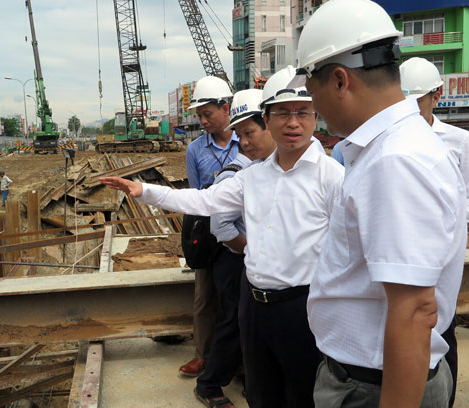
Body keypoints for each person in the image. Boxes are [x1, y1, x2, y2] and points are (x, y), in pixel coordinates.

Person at [101, 65, 344, 408]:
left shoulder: (333, 178)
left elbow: (348, 251)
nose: (293, 123)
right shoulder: (253, 177)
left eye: (302, 113)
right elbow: (202, 200)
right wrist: (142, 190)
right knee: (261, 393)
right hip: (254, 304)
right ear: (269, 118)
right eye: (282, 113)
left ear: (315, 117)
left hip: (301, 309)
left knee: (302, 393)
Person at [291, 0, 467, 406]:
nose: (313, 108)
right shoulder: (391, 149)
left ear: (339, 80)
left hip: (375, 388)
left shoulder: (395, 160)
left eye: (310, 92)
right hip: (369, 378)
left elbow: (415, 311)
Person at [195, 89, 274, 408]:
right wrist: (249, 251)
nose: (245, 141)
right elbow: (219, 225)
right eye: (243, 134)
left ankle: (249, 381)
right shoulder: (238, 173)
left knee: (249, 323)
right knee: (234, 322)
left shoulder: (271, 169)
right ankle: (210, 382)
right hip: (233, 259)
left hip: (251, 261)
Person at [400, 56, 469, 408]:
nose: (410, 109)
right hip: (405, 247)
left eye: (418, 100)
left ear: (437, 95)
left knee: (442, 328)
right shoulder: (389, 141)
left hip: (444, 253)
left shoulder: (457, 141)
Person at [180, 75, 239, 377]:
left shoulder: (247, 140)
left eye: (207, 114)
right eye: (199, 116)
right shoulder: (195, 150)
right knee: (204, 296)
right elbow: (194, 194)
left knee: (235, 295)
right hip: (207, 232)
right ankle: (203, 355)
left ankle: (238, 361)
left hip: (239, 230)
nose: (202, 121)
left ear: (226, 108)